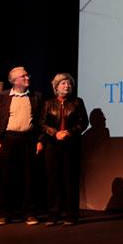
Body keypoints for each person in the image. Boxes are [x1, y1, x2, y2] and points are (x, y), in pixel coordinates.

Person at [0, 67, 43, 225]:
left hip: (28, 139)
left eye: (28, 75)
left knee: (28, 178)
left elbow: (41, 122)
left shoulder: (36, 96)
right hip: (8, 139)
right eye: (23, 76)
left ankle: (29, 213)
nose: (27, 77)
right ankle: (4, 214)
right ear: (14, 80)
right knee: (6, 178)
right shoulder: (3, 97)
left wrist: (40, 140)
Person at [39, 73, 88, 226]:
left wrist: (69, 132)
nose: (67, 86)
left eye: (69, 84)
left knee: (70, 181)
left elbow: (83, 122)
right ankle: (53, 215)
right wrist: (55, 133)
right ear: (56, 87)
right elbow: (42, 123)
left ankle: (71, 215)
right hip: (52, 146)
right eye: (63, 83)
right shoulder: (48, 103)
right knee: (53, 181)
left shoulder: (77, 102)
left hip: (71, 146)